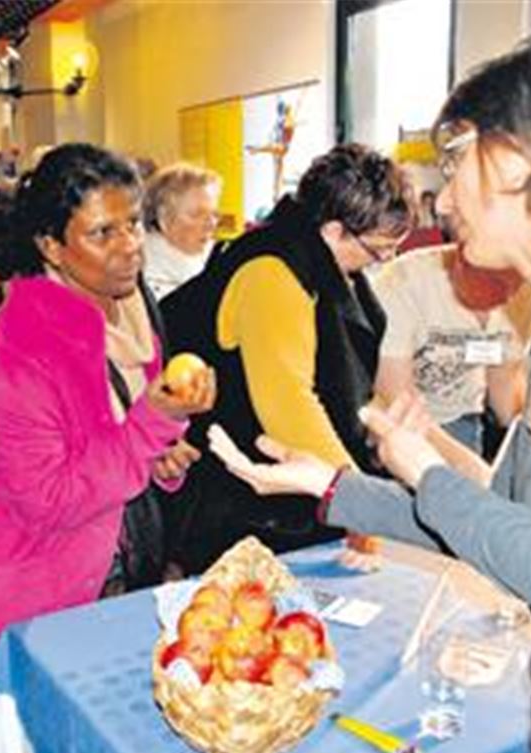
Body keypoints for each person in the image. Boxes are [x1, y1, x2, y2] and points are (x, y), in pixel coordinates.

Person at [210, 31, 531, 753]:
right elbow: (502, 512)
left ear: (519, 156)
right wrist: (330, 485)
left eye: (456, 159)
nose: (442, 199)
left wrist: (425, 471)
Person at [0, 143, 214, 671]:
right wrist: (152, 425)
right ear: (51, 245)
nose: (130, 245)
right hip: (38, 591)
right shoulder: (13, 354)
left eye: (133, 223)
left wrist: (164, 454)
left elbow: (124, 437)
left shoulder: (131, 309)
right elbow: (50, 500)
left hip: (120, 568)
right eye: (101, 232)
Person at [161, 143, 415, 573]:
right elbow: (288, 403)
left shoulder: (328, 264)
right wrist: (359, 501)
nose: (385, 260)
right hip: (246, 507)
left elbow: (348, 380)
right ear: (335, 230)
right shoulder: (272, 272)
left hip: (296, 491)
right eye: (378, 249)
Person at [371, 243, 531, 453]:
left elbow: (504, 384)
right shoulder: (403, 281)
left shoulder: (526, 291)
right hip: (399, 419)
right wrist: (463, 469)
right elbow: (397, 398)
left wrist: (529, 444)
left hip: (462, 417)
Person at [141, 162, 222, 299]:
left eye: (213, 214)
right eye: (196, 215)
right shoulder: (142, 276)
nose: (210, 224)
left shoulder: (216, 260)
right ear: (164, 219)